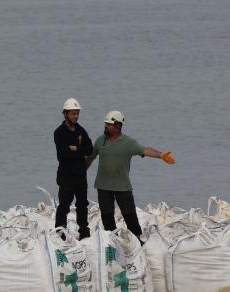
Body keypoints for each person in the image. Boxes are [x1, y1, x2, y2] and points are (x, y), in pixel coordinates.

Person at [87, 110, 175, 241]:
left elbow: (145, 150)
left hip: (122, 186)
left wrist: (161, 155)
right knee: (106, 215)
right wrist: (81, 171)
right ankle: (112, 240)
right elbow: (91, 157)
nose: (105, 126)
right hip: (103, 185)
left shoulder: (128, 143)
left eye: (108, 124)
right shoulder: (100, 140)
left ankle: (137, 239)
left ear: (118, 125)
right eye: (105, 124)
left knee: (129, 214)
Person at [54, 97, 94, 239]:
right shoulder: (59, 132)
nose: (75, 116)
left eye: (77, 113)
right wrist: (80, 153)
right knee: (64, 205)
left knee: (82, 205)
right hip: (66, 175)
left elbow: (90, 149)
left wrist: (76, 149)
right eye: (73, 113)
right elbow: (63, 155)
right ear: (65, 114)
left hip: (80, 175)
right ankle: (60, 233)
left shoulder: (80, 130)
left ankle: (84, 233)